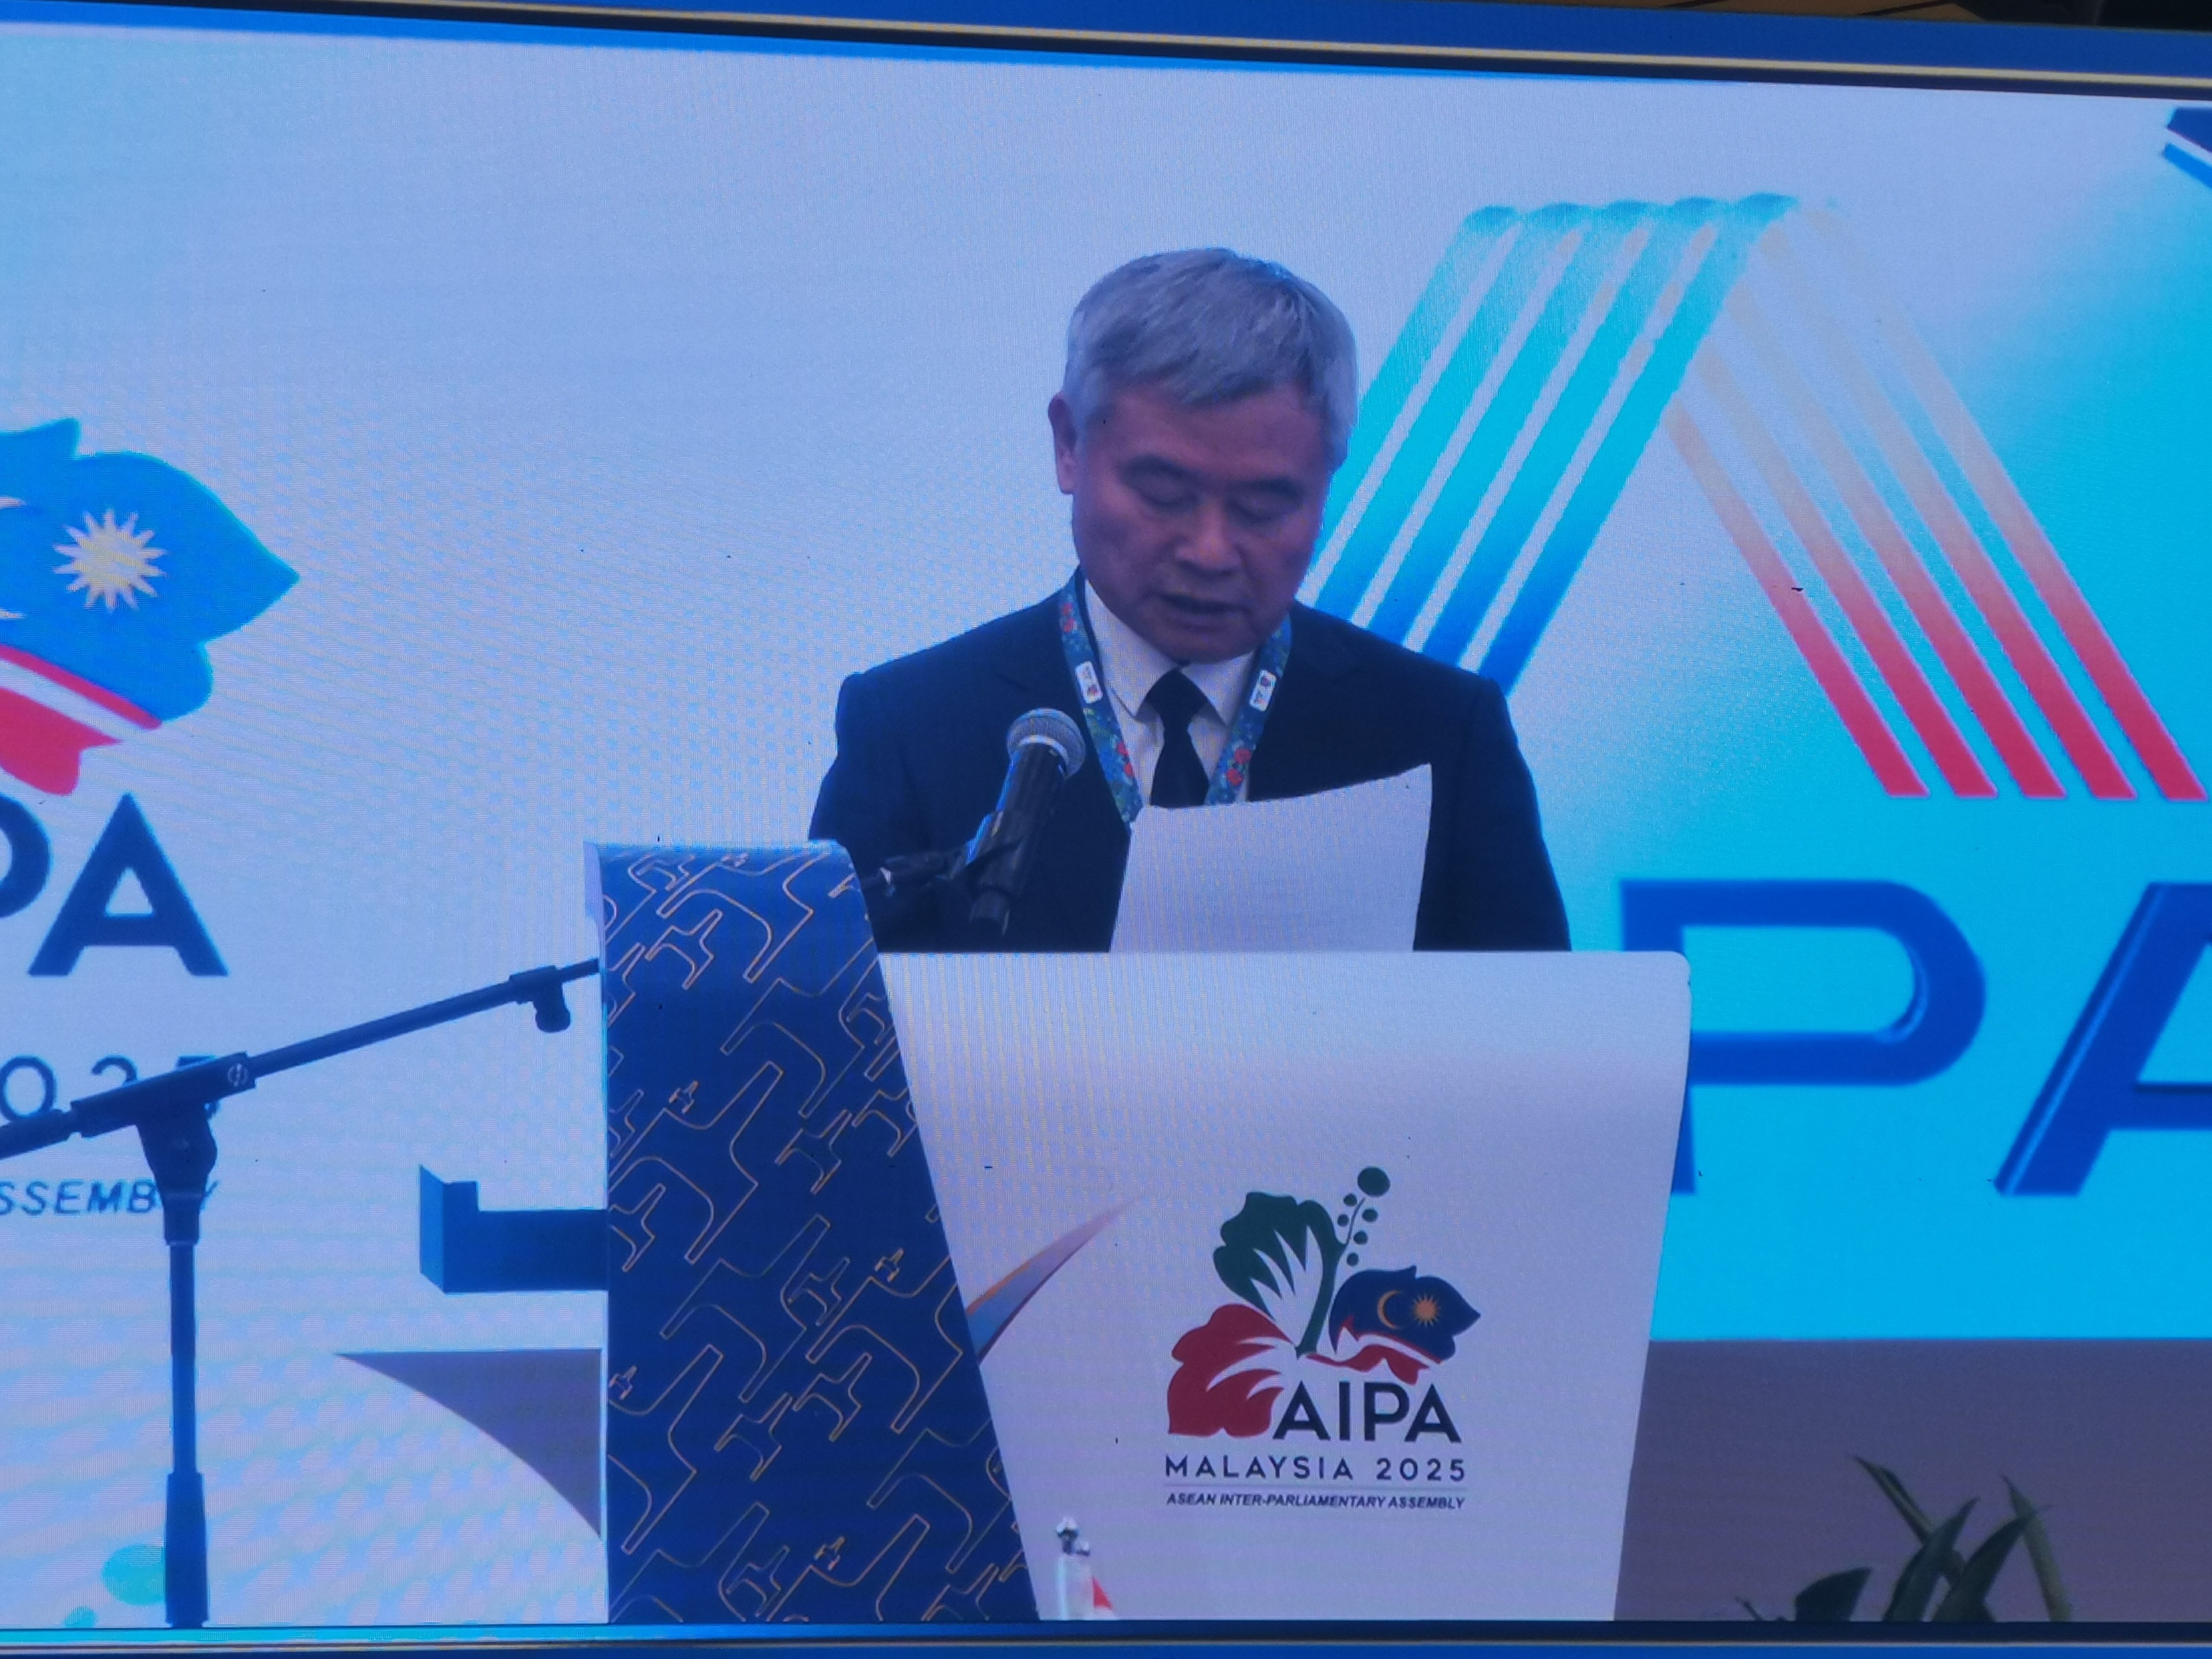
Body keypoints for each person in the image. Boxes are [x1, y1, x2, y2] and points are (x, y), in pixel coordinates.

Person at [810, 248, 1568, 953]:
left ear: (1329, 477)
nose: (1210, 551)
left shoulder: (1440, 734)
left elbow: (1541, 1038)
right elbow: (829, 1033)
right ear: (1069, 444)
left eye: (1264, 506)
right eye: (1164, 494)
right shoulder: (910, 727)